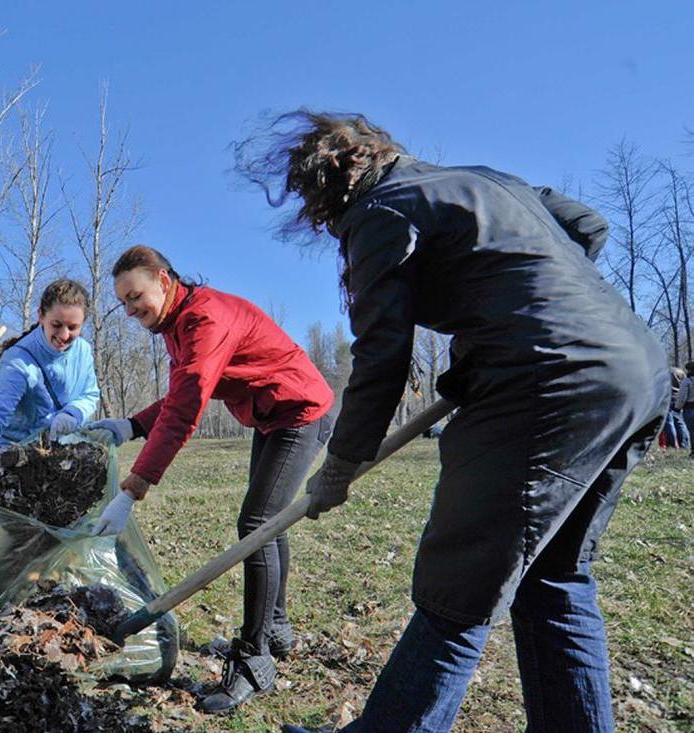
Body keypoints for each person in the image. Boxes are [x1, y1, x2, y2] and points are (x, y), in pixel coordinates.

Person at [234, 112, 669, 733]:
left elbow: (381, 356)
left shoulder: (379, 212)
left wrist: (340, 466)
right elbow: (588, 227)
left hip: (545, 387)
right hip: (636, 370)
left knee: (457, 590)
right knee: (555, 577)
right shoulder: (481, 180)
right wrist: (512, 316)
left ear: (328, 190)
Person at [89, 245, 335, 714]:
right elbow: (180, 394)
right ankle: (276, 628)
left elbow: (187, 410)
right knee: (269, 524)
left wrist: (133, 488)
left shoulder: (205, 319)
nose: (130, 309)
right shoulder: (176, 325)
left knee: (257, 526)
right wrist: (131, 425)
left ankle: (254, 660)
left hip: (299, 412)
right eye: (122, 302)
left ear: (163, 280)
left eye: (134, 296)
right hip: (272, 418)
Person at [0, 279, 100, 473]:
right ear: (41, 316)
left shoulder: (83, 350)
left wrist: (73, 413)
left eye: (73, 327)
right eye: (56, 324)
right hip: (18, 459)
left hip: (62, 455)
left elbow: (90, 394)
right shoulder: (19, 360)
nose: (64, 335)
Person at [661, 366, 689, 450]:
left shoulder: (664, 371)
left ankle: (672, 444)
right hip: (678, 397)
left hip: (668, 397)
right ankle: (683, 443)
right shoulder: (680, 371)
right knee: (680, 422)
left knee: (669, 423)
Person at [679, 361, 694, 457]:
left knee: (692, 431)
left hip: (690, 408)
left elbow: (682, 397)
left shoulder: (687, 381)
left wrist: (677, 408)